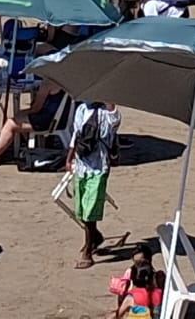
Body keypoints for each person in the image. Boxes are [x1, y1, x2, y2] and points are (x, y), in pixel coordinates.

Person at [68, 100, 121, 269]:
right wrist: (69, 158)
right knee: (81, 209)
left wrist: (107, 100)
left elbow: (115, 122)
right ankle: (95, 236)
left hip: (99, 165)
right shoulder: (82, 109)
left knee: (90, 210)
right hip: (81, 164)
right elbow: (76, 134)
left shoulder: (109, 112)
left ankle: (88, 251)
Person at [110, 241, 165, 318]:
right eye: (136, 263)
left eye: (142, 263)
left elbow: (118, 315)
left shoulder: (131, 298)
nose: (139, 267)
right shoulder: (160, 290)